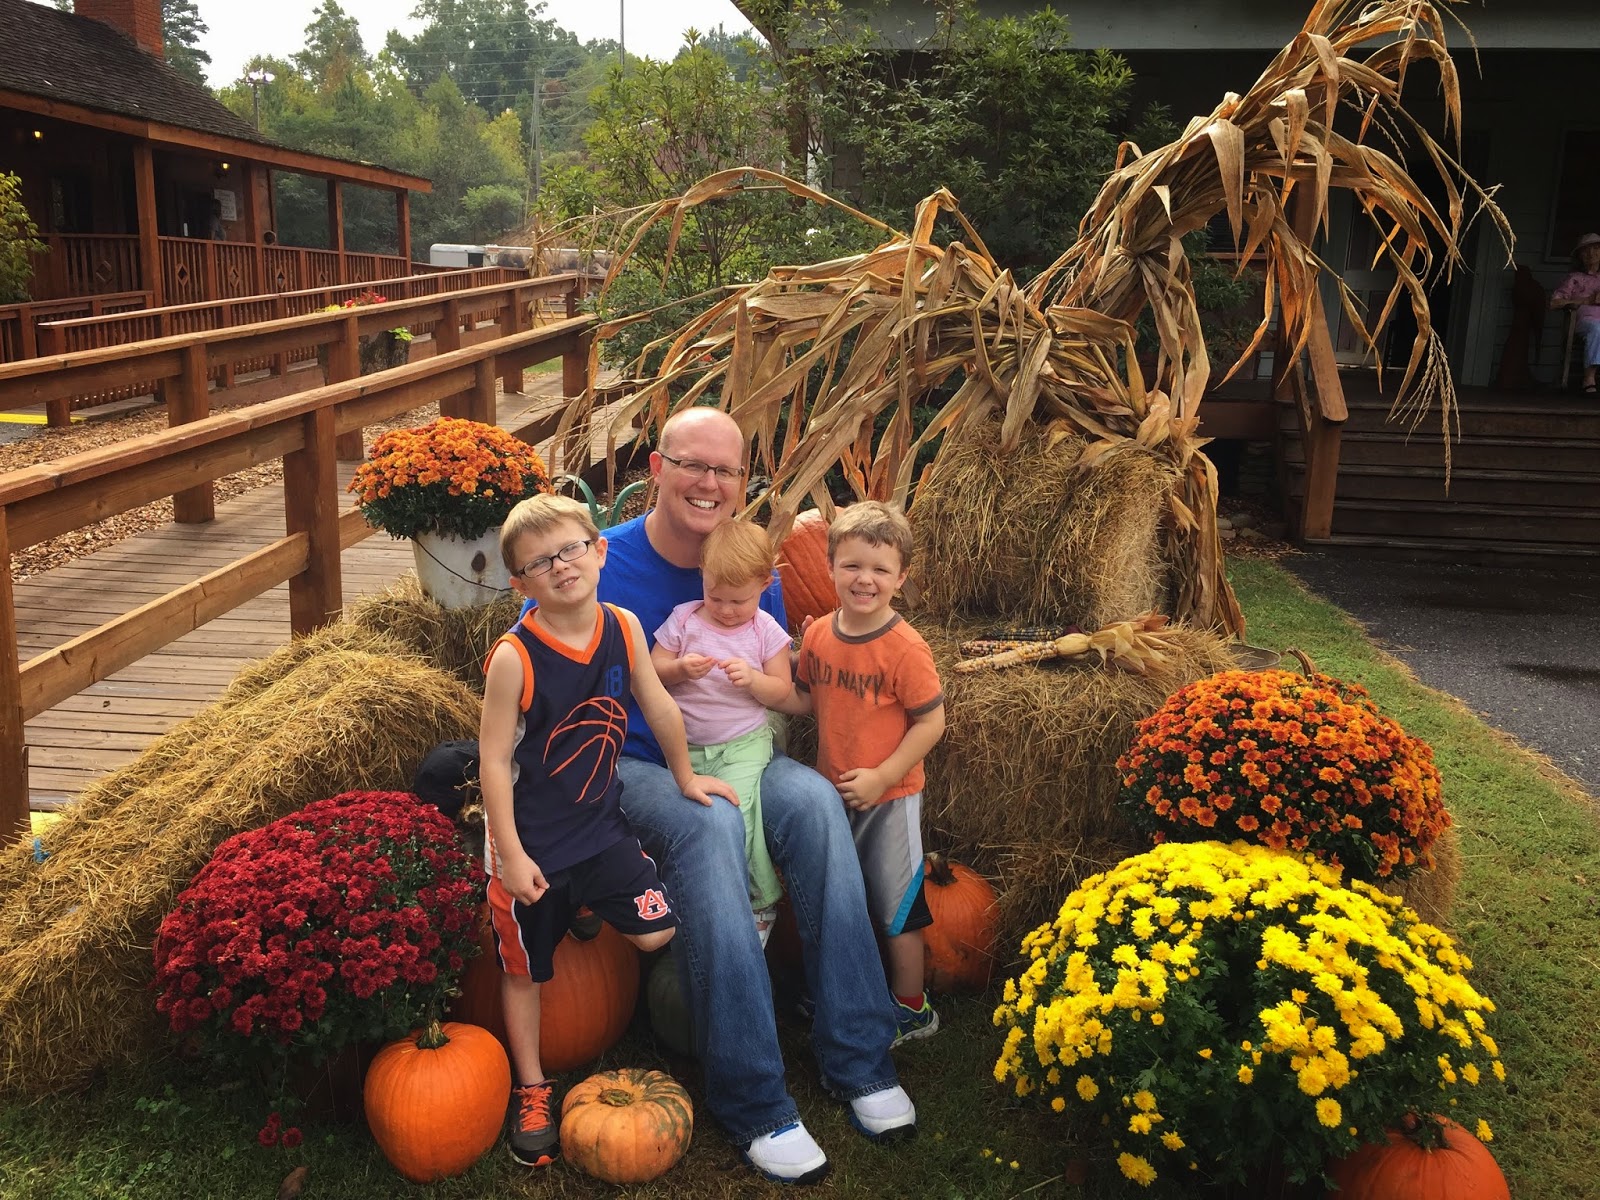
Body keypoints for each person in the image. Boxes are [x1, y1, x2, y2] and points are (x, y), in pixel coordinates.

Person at [596, 406, 915, 1185]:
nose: (709, 482)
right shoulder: (603, 562)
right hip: (634, 763)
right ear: (656, 469)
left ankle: (859, 1057)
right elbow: (544, 666)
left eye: (726, 470)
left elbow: (774, 688)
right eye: (692, 464)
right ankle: (755, 1101)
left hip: (738, 749)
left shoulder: (753, 569)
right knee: (710, 823)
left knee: (813, 804)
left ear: (742, 484)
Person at [479, 492, 734, 1169]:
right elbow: (494, 762)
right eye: (539, 561)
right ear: (520, 583)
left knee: (657, 931)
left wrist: (685, 778)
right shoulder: (515, 658)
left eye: (570, 549)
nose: (560, 565)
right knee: (525, 972)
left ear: (600, 552)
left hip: (599, 828)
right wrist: (510, 855)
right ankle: (532, 1087)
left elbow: (658, 702)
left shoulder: (622, 625)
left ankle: (588, 903)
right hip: (533, 844)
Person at [766, 501, 947, 1047]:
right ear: (829, 567)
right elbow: (804, 700)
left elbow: (931, 722)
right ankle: (838, 988)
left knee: (896, 905)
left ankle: (912, 1007)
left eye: (880, 569)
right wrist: (755, 687)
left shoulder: (905, 648)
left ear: (901, 577)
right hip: (832, 793)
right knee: (839, 899)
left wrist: (883, 776)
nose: (865, 579)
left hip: (889, 797)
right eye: (852, 565)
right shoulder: (820, 634)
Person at [649, 520, 793, 945]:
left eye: (739, 601)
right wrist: (679, 669)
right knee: (693, 825)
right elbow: (652, 671)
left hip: (743, 743)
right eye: (716, 597)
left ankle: (759, 899)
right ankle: (697, 903)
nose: (726, 610)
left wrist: (753, 680)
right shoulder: (685, 620)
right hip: (685, 749)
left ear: (764, 584)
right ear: (702, 575)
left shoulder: (765, 630)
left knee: (737, 815)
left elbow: (782, 689)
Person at [1551, 231, 1600, 395]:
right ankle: (1589, 378)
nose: (1591, 253)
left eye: (1596, 249)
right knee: (1597, 328)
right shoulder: (1574, 278)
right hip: (1585, 322)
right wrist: (1586, 301)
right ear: (1579, 256)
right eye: (1586, 250)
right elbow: (1554, 303)